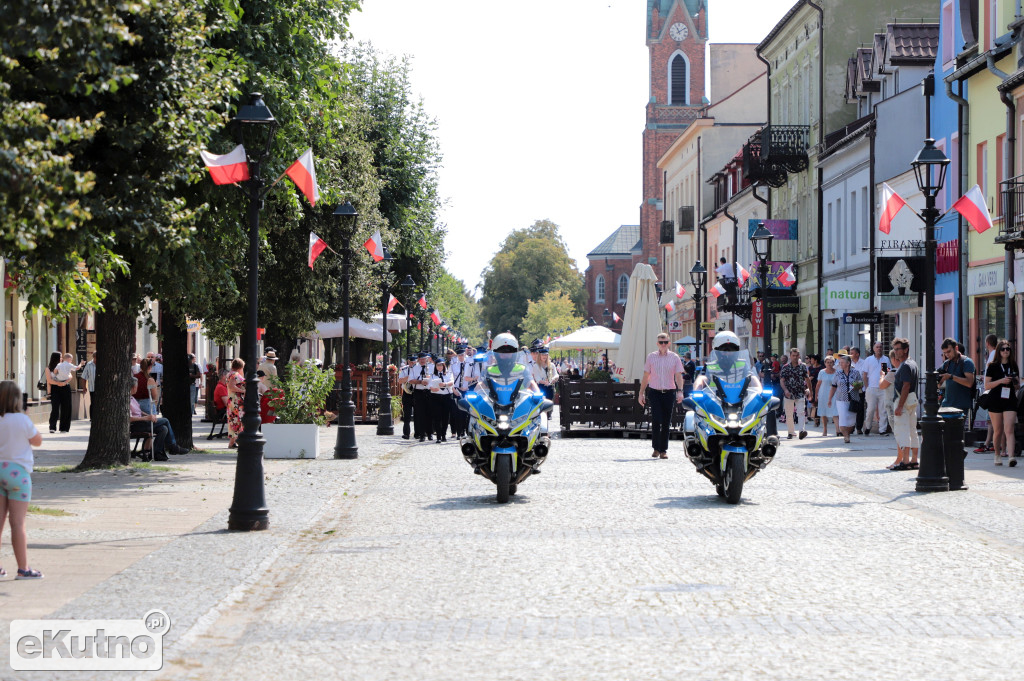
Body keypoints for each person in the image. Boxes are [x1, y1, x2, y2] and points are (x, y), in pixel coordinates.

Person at [0, 380, 44, 579]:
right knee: (17, 523)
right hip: (18, 474)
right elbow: (37, 441)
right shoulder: (22, 419)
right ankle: (23, 569)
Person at [637, 332, 686, 460]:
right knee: (656, 419)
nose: (663, 344)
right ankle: (656, 448)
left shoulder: (674, 357)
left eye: (665, 342)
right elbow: (646, 376)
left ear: (669, 343)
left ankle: (663, 450)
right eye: (660, 342)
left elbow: (678, 376)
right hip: (655, 391)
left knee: (666, 421)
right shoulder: (651, 357)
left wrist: (680, 391)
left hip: (669, 392)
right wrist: (641, 393)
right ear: (657, 343)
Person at [985, 339, 1019, 467]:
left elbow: (1017, 387)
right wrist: (1001, 381)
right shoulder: (993, 366)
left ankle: (1011, 457)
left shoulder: (1013, 365)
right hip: (995, 400)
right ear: (999, 351)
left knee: (1009, 429)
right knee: (998, 430)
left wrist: (1015, 381)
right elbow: (987, 385)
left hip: (1009, 399)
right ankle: (997, 454)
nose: (1006, 351)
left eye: (1008, 349)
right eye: (1003, 349)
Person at [887, 338, 919, 470]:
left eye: (897, 349)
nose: (895, 352)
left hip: (904, 401)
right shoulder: (913, 363)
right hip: (912, 401)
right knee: (912, 430)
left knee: (903, 431)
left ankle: (905, 461)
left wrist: (899, 406)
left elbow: (906, 386)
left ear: (905, 349)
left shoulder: (905, 365)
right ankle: (914, 460)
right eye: (894, 349)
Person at [939, 337, 976, 421]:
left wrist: (951, 376)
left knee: (956, 433)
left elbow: (969, 383)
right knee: (945, 433)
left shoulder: (967, 362)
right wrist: (938, 380)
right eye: (944, 353)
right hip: (946, 404)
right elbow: (939, 385)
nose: (947, 355)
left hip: (960, 406)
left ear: (956, 348)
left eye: (949, 351)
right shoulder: (946, 363)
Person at [828, 354, 862, 443]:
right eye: (839, 363)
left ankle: (848, 432)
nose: (840, 364)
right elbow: (833, 386)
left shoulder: (856, 372)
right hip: (841, 399)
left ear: (848, 363)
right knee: (843, 418)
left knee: (851, 421)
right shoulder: (838, 373)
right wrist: (830, 399)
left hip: (853, 399)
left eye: (842, 362)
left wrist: (857, 386)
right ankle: (846, 436)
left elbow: (861, 384)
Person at [975, 333, 1000, 454]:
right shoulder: (992, 354)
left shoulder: (993, 354)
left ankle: (992, 443)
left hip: (991, 391)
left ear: (987, 343)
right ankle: (989, 442)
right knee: (990, 420)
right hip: (991, 389)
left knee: (992, 420)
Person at [46, 352, 82, 433]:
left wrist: (65, 382)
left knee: (66, 408)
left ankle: (64, 428)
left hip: (65, 387)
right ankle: (52, 427)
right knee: (55, 408)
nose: (62, 358)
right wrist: (59, 383)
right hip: (55, 388)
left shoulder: (63, 366)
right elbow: (49, 380)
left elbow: (70, 376)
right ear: (55, 358)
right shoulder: (48, 368)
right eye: (60, 357)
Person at [780, 347, 810, 440]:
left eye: (797, 355)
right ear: (790, 356)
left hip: (800, 392)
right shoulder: (785, 367)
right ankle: (791, 432)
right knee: (789, 414)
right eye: (793, 355)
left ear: (799, 356)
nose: (795, 357)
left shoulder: (803, 366)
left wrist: (809, 389)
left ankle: (801, 431)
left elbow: (807, 379)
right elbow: (782, 380)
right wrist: (785, 390)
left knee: (801, 412)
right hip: (789, 394)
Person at [860, 342, 890, 436]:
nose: (879, 349)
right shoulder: (869, 360)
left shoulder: (885, 359)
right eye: (877, 347)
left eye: (880, 347)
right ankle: (868, 427)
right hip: (871, 388)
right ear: (873, 348)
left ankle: (882, 429)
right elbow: (864, 374)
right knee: (870, 409)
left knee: (883, 410)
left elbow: (886, 373)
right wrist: (867, 387)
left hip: (883, 388)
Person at [410, 352, 435, 441]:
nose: (423, 361)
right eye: (421, 359)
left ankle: (430, 433)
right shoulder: (414, 368)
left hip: (429, 391)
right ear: (418, 360)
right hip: (418, 392)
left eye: (424, 359)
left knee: (430, 413)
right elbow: (410, 380)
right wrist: (420, 382)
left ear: (427, 359)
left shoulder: (432, 367)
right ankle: (421, 435)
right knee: (420, 414)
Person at [429, 359, 455, 442]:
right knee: (437, 417)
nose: (439, 367)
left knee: (445, 417)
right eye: (437, 365)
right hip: (436, 397)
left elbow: (452, 382)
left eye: (441, 365)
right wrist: (433, 388)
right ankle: (439, 436)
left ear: (443, 366)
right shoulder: (433, 375)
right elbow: (429, 385)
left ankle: (443, 435)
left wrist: (445, 384)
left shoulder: (449, 374)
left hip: (446, 396)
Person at [815, 356, 839, 437]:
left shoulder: (837, 372)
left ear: (833, 363)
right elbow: (818, 384)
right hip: (823, 393)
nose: (829, 364)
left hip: (834, 393)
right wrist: (816, 395)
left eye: (831, 362)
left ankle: (837, 430)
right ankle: (825, 429)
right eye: (827, 362)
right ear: (825, 363)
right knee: (823, 411)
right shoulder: (822, 372)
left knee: (835, 410)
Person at [226, 358, 246, 449]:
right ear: (240, 367)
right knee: (237, 420)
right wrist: (242, 391)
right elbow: (231, 386)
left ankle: (233, 442)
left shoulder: (230, 374)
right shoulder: (234, 375)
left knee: (235, 420)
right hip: (236, 401)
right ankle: (232, 443)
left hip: (233, 400)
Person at [397, 355, 416, 440]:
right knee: (407, 414)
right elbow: (400, 380)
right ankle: (406, 433)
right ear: (408, 362)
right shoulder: (405, 369)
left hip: (416, 393)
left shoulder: (419, 369)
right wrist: (409, 377)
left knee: (418, 414)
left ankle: (417, 433)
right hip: (407, 393)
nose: (412, 363)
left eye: (414, 362)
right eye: (410, 362)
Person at [849, 346, 866, 434]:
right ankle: (850, 427)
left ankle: (859, 427)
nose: (850, 355)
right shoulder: (848, 363)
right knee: (851, 408)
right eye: (850, 353)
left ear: (857, 354)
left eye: (852, 353)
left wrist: (861, 385)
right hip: (850, 390)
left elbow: (865, 375)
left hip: (861, 389)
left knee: (860, 409)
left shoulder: (864, 362)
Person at [81, 352, 97, 420]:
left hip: (103, 389)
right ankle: (92, 418)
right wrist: (84, 387)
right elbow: (84, 376)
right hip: (92, 387)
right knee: (93, 403)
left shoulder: (103, 364)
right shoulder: (89, 364)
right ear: (94, 357)